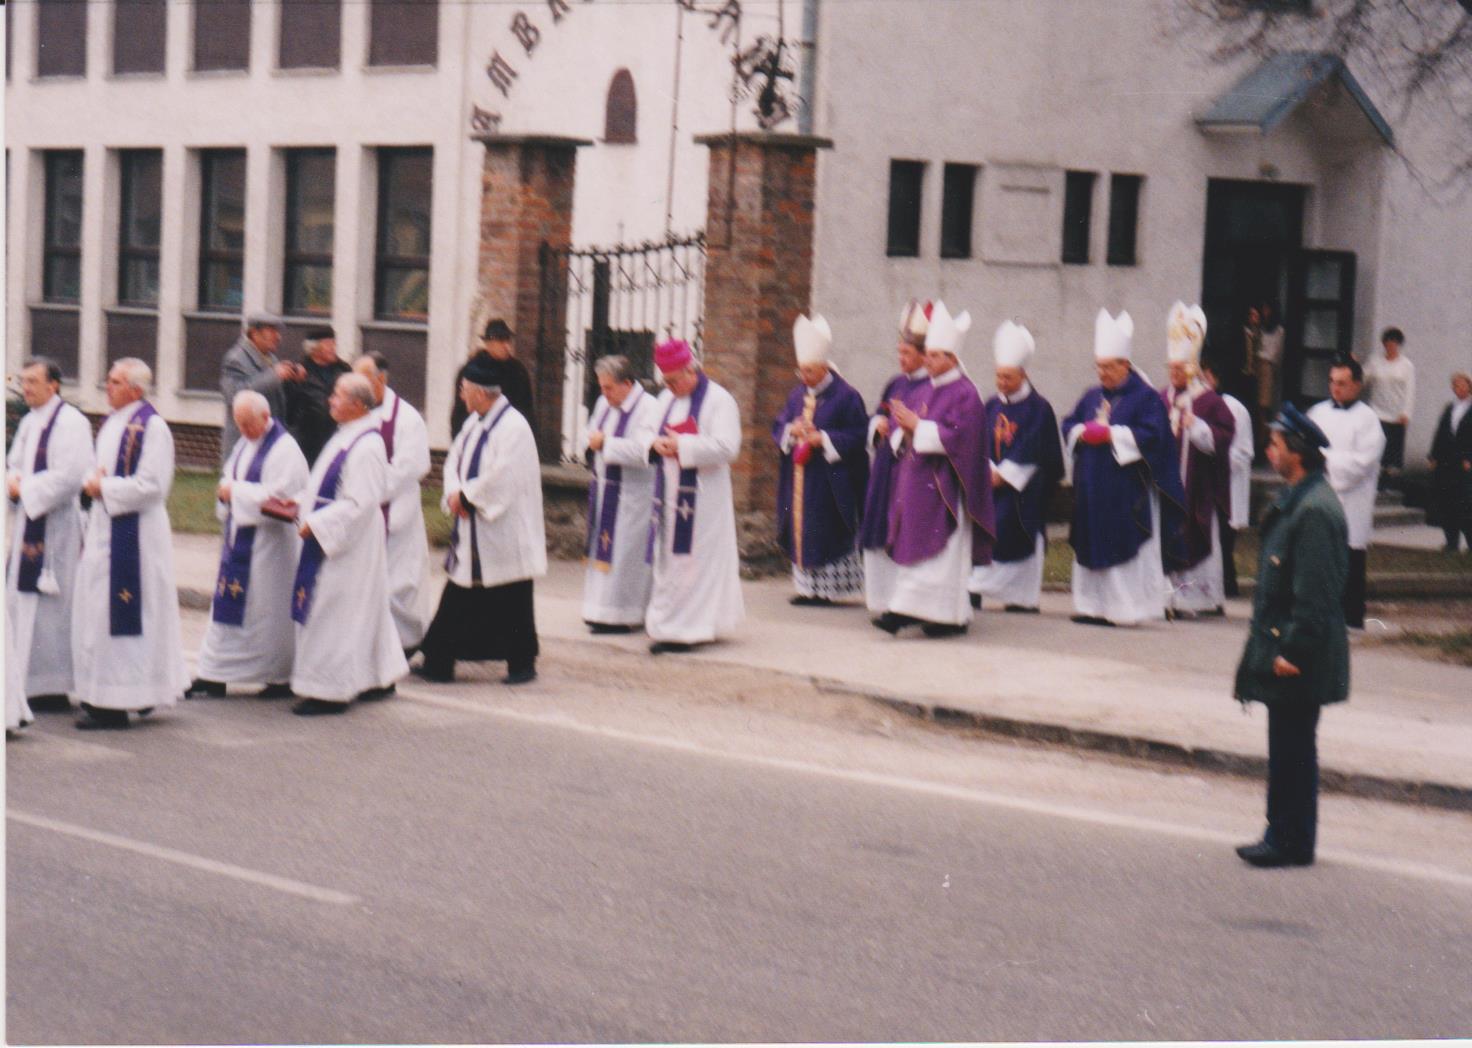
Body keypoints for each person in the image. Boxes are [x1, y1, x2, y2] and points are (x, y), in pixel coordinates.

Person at [1233, 403, 1349, 868]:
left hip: (1301, 652)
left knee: (1294, 748)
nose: (1268, 451)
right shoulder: (1300, 499)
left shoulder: (1315, 511)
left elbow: (1315, 596)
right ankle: (1283, 833)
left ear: (1295, 453)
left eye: (1275, 445)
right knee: (1288, 745)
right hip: (1289, 646)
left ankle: (1291, 840)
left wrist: (1294, 651)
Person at [71, 359, 189, 729]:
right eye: (108, 380)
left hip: (136, 536)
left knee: (126, 615)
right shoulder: (112, 423)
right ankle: (120, 693)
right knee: (101, 614)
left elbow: (153, 486)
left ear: (137, 389)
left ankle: (117, 702)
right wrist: (93, 484)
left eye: (116, 382)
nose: (108, 386)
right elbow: (98, 472)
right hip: (106, 529)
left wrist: (101, 487)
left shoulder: (152, 427)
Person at [418, 355, 546, 683]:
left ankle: (521, 663)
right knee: (462, 592)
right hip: (473, 523)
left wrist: (468, 497)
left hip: (504, 528)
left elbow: (504, 475)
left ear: (479, 392)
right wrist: (454, 494)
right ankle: (439, 659)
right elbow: (453, 462)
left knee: (512, 596)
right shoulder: (475, 423)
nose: (461, 396)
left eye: (464, 390)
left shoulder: (513, 427)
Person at [287, 374, 408, 714]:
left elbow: (360, 502)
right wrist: (299, 502)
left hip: (346, 545)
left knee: (332, 611)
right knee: (365, 611)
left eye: (337, 395)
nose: (330, 401)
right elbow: (327, 487)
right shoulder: (345, 436)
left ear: (357, 405)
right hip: (339, 538)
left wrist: (318, 522)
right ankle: (377, 678)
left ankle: (328, 690)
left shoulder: (367, 446)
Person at [875, 301, 995, 637]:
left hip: (945, 488)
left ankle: (914, 613)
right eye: (927, 354)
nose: (927, 361)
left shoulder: (965, 394)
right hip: (917, 483)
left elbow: (963, 440)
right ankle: (939, 616)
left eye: (935, 356)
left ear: (953, 359)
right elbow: (910, 430)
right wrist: (903, 426)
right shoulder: (928, 388)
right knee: (917, 548)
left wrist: (919, 426)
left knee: (939, 553)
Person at [1062, 309, 1186, 627]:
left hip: (1126, 491)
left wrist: (1112, 434)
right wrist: (1081, 432)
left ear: (1125, 365)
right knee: (1092, 543)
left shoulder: (1146, 399)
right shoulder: (1092, 396)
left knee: (1122, 545)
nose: (1101, 373)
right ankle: (1091, 606)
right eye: (1098, 366)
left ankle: (1124, 609)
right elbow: (1070, 423)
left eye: (1107, 367)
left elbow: (1155, 437)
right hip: (1092, 488)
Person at [188, 392, 310, 699]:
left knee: (265, 612)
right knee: (226, 608)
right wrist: (227, 489)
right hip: (239, 542)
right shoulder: (246, 442)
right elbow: (230, 476)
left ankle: (276, 676)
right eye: (238, 424)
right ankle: (214, 673)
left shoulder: (285, 450)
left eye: (248, 424)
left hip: (270, 547)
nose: (242, 431)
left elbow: (284, 495)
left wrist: (235, 492)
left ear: (265, 417)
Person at [643, 339, 745, 654]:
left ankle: (692, 629)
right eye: (666, 381)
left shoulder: (719, 400)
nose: (670, 387)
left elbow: (729, 447)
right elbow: (645, 431)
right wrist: (655, 444)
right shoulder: (665, 400)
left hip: (703, 502)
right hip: (667, 497)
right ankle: (667, 626)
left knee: (694, 564)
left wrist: (684, 446)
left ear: (691, 369)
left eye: (674, 380)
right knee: (669, 563)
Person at [6, 357, 91, 714]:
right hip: (29, 523)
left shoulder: (72, 423)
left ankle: (54, 684)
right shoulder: (28, 421)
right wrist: (12, 483)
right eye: (23, 382)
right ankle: (24, 680)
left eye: (32, 382)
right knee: (21, 604)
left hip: (58, 529)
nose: (25, 388)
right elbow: (13, 464)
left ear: (53, 384)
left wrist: (25, 489)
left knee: (55, 607)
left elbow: (71, 475)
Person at [773, 314, 870, 606]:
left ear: (825, 368)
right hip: (801, 475)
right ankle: (807, 588)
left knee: (825, 528)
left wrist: (823, 439)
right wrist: (792, 430)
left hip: (830, 478)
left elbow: (858, 433)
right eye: (801, 372)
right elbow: (779, 424)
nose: (805, 378)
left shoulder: (846, 396)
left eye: (811, 372)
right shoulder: (796, 395)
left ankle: (828, 589)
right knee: (803, 527)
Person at [968, 321, 1063, 614]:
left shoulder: (1039, 408)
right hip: (990, 484)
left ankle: (1021, 598)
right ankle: (975, 590)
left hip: (1024, 490)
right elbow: (980, 439)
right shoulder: (991, 406)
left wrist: (1005, 475)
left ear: (1023, 374)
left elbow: (1037, 449)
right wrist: (986, 470)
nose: (1002, 383)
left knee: (1014, 530)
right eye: (998, 376)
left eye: (1008, 377)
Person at [1159, 302, 1236, 618]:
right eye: (1171, 368)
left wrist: (1199, 428)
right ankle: (1168, 598)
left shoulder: (1210, 401)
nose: (1174, 374)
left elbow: (1224, 436)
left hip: (1198, 485)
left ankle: (1199, 600)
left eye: (1180, 369)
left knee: (1197, 536)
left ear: (1193, 368)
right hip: (1167, 483)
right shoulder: (1161, 397)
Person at [354, 352, 431, 654]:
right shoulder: (359, 411)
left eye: (363, 380)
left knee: (400, 582)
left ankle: (406, 642)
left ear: (381, 379)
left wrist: (372, 488)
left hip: (396, 510)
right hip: (365, 510)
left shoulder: (407, 419)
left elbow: (411, 466)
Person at [860, 299, 934, 616]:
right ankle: (881, 598)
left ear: (923, 355)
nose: (901, 359)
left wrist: (895, 431)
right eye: (899, 352)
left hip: (908, 468)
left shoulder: (931, 387)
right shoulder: (895, 382)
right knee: (879, 527)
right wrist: (877, 424)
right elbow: (881, 413)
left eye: (907, 353)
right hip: (885, 468)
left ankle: (903, 602)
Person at [581, 355, 661, 633]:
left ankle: (625, 614)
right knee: (601, 553)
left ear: (627, 383)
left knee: (625, 554)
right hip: (605, 491)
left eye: (609, 387)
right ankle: (598, 609)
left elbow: (645, 451)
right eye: (601, 387)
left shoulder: (649, 408)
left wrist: (606, 444)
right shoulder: (604, 403)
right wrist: (592, 441)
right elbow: (590, 432)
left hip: (633, 496)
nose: (603, 394)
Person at [1307, 358, 1384, 629]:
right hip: (1319, 495)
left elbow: (1362, 463)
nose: (1335, 388)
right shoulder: (1317, 412)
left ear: (1357, 386)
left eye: (1342, 383)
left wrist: (1324, 461)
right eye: (1331, 382)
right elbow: (1304, 448)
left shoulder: (1368, 420)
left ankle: (1351, 618)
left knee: (1349, 558)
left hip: (1352, 499)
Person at [1200, 358, 1254, 599]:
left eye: (1202, 376)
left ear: (1213, 376)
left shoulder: (1234, 408)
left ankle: (1226, 591)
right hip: (1204, 486)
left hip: (1227, 487)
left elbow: (1243, 453)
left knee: (1223, 541)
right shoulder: (1195, 405)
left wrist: (1213, 459)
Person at [220, 311, 303, 466]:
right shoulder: (235, 359)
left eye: (278, 331)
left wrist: (292, 378)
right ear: (254, 333)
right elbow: (234, 395)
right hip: (245, 441)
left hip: (266, 440)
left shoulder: (270, 358)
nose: (278, 337)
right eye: (271, 331)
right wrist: (274, 376)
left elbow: (275, 396)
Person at [452, 319, 535, 439]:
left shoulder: (518, 372)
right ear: (488, 343)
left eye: (508, 340)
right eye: (501, 340)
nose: (506, 345)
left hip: (510, 435)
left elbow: (527, 411)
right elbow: (460, 413)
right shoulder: (472, 371)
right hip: (477, 436)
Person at [287, 326, 350, 465]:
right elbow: (289, 411)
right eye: (328, 344)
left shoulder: (345, 370)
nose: (333, 347)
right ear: (313, 348)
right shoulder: (298, 373)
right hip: (308, 443)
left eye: (334, 343)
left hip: (338, 437)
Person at [1428, 371, 1472, 553]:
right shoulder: (1449, 408)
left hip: (1464, 464)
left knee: (1466, 504)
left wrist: (1469, 458)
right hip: (1447, 462)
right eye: (1455, 385)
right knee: (1447, 502)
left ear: (1469, 386)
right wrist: (1433, 456)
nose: (1458, 388)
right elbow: (1440, 432)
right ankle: (1451, 542)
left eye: (1462, 385)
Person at [1364, 326, 1415, 479]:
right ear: (1383, 343)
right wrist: (1352, 366)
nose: (1391, 345)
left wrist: (1406, 412)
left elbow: (1410, 390)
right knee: (1377, 449)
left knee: (1393, 454)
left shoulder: (1406, 365)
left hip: (1397, 414)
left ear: (1399, 344)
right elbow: (1362, 378)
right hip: (1378, 412)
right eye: (1388, 342)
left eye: (1394, 342)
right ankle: (1376, 482)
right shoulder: (1375, 361)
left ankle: (1390, 484)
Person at [1256, 301, 1285, 449]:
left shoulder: (1278, 330)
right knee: (1259, 406)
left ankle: (1265, 439)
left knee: (1265, 405)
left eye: (1268, 309)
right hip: (1258, 367)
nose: (1265, 312)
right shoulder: (1261, 328)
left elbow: (1275, 353)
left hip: (1268, 367)